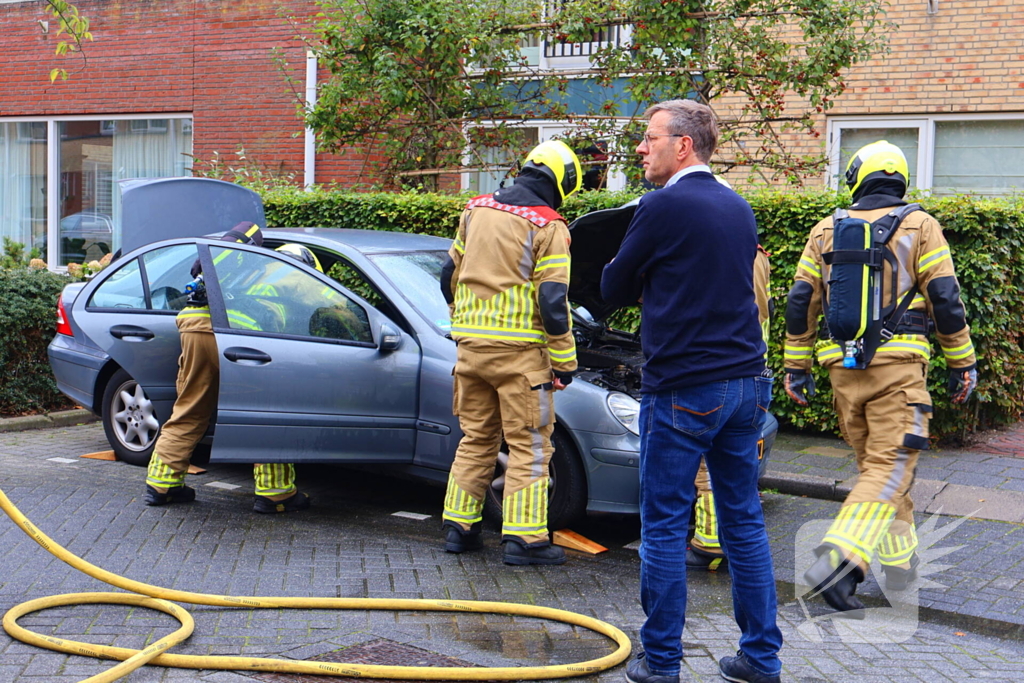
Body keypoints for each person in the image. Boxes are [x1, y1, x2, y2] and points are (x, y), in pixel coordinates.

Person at [601, 99, 782, 683]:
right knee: (743, 520)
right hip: (747, 386)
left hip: (683, 389)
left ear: (682, 145)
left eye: (649, 137)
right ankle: (761, 658)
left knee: (663, 523)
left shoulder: (660, 206)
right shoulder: (738, 206)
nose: (640, 147)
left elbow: (611, 284)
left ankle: (661, 662)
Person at [784, 140, 978, 613]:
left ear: (857, 177)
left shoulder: (824, 230)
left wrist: (796, 367)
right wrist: (962, 362)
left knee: (885, 472)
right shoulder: (921, 225)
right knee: (889, 470)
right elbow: (946, 300)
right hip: (899, 372)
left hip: (842, 375)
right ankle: (840, 561)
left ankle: (900, 569)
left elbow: (798, 302)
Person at [439, 139, 581, 566]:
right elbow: (553, 301)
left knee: (477, 438)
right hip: (519, 356)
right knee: (530, 446)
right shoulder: (547, 224)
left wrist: (463, 321)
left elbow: (449, 274)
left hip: (470, 350)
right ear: (561, 181)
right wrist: (565, 361)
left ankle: (458, 528)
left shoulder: (475, 210)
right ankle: (526, 540)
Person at [144, 226, 312, 514]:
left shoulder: (235, 263)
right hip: (243, 339)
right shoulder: (293, 278)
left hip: (195, 326)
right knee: (266, 413)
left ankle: (163, 484)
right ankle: (275, 493)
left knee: (190, 407)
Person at [687, 243, 772, 572]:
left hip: (718, 369)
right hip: (754, 371)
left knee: (708, 460)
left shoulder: (719, 252)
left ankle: (709, 541)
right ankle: (734, 541)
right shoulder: (757, 254)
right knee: (737, 465)